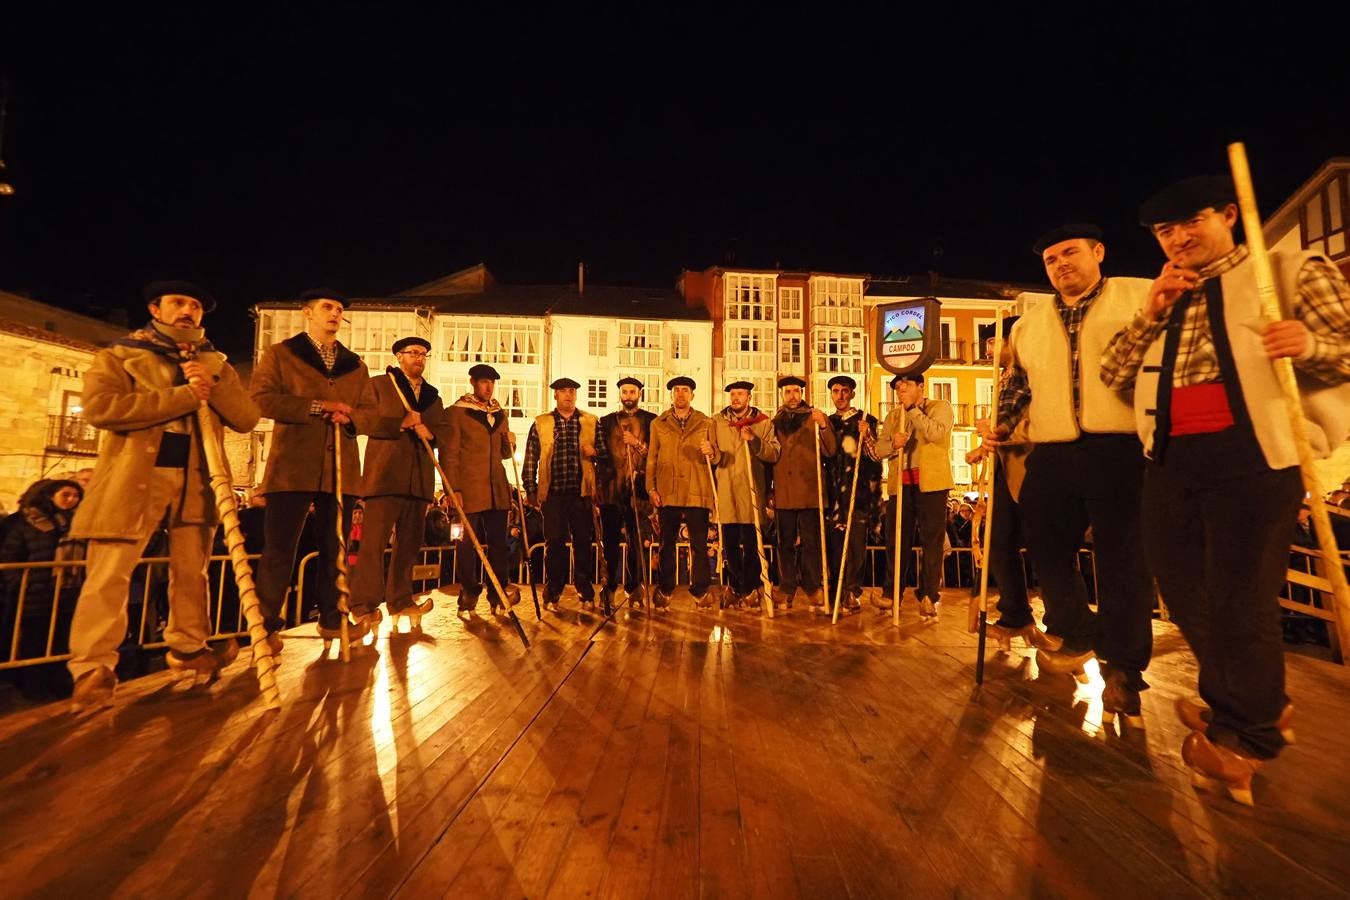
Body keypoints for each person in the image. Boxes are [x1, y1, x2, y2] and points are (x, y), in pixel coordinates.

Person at [1101, 175, 1350, 802]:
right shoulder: (1166, 296)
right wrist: (1149, 313)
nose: (1179, 238)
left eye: (1193, 222)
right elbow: (1113, 375)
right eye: (1165, 231)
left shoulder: (1289, 270)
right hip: (1171, 457)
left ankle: (1247, 735)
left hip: (1256, 454)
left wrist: (1309, 343)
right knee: (1182, 589)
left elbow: (1346, 350)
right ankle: (1253, 702)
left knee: (1241, 596)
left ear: (1230, 215)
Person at [979, 223, 1155, 723]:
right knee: (1046, 545)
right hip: (1054, 450)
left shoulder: (1136, 296)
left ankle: (1123, 668)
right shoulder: (1029, 324)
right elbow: (1018, 384)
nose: (1061, 264)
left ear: (1099, 251)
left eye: (1070, 253)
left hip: (1119, 444)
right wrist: (1003, 421)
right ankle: (1075, 629)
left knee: (1123, 560)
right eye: (1051, 259)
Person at [65, 281, 259, 711]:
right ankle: (93, 667)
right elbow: (103, 409)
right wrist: (183, 396)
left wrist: (211, 384)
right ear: (156, 307)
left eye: (194, 305)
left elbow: (246, 419)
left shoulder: (216, 363)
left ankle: (189, 647)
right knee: (110, 572)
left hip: (197, 477)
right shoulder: (119, 355)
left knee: (194, 571)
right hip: (136, 476)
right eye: (178, 303)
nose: (187, 311)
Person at [252, 288, 377, 653]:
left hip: (340, 469)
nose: (335, 313)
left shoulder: (355, 364)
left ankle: (333, 618)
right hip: (292, 466)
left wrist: (351, 415)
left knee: (335, 547)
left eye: (339, 308)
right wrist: (316, 406)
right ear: (308, 312)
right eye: (327, 307)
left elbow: (370, 412)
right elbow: (261, 399)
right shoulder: (281, 354)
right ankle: (266, 626)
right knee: (280, 549)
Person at [350, 336, 445, 628]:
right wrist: (399, 423)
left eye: (423, 354)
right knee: (374, 543)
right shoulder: (380, 385)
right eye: (413, 353)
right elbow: (361, 422)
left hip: (418, 481)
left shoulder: (432, 395)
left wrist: (430, 433)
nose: (419, 358)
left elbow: (441, 432)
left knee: (410, 544)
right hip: (385, 476)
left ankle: (401, 600)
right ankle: (363, 604)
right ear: (399, 356)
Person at [966, 316, 1040, 647]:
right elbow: (1002, 427)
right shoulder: (1004, 377)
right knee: (998, 542)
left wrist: (995, 433)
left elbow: (1027, 419)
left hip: (1028, 467)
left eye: (995, 342)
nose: (990, 349)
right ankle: (1015, 615)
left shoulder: (1027, 371)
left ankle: (1065, 627)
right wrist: (983, 447)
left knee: (1044, 546)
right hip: (1003, 466)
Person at [442, 363, 522, 614]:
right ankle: (469, 589)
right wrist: (452, 488)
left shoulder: (499, 413)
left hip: (496, 489)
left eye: (492, 383)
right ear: (473, 383)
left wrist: (511, 445)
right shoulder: (456, 413)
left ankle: (498, 590)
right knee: (466, 543)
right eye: (484, 382)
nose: (489, 388)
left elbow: (504, 454)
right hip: (467, 488)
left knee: (499, 542)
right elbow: (449, 454)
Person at [874, 373, 954, 619]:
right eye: (897, 387)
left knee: (932, 541)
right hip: (902, 484)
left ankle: (929, 595)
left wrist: (912, 409)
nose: (900, 390)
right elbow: (879, 449)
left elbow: (935, 433)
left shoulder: (940, 407)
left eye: (905, 385)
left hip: (931, 484)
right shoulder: (893, 417)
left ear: (921, 386)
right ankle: (892, 593)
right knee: (896, 541)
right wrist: (893, 445)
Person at [522, 377, 601, 612]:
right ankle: (553, 589)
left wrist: (594, 452)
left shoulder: (590, 421)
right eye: (562, 391)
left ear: (575, 395)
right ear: (555, 395)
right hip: (553, 493)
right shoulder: (542, 423)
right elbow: (531, 457)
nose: (568, 395)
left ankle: (584, 587)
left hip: (581, 492)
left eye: (571, 391)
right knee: (554, 542)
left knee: (583, 543)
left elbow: (604, 455)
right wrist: (531, 488)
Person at [1, 479, 84, 692]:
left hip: (65, 592)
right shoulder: (23, 522)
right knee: (32, 641)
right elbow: (10, 557)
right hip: (32, 594)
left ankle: (57, 683)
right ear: (50, 495)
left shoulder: (73, 522)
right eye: (66, 495)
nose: (71, 500)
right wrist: (23, 583)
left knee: (60, 640)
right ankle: (31, 685)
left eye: (76, 496)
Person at [645, 376, 717, 608]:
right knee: (666, 542)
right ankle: (665, 588)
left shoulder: (707, 423)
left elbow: (716, 456)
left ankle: (701, 590)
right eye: (676, 390)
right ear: (672, 395)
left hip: (697, 489)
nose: (680, 394)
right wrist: (651, 487)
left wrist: (712, 451)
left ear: (692, 395)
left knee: (699, 544)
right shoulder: (659, 424)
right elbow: (652, 458)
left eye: (685, 390)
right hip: (669, 490)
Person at [709, 380, 780, 608]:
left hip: (752, 492)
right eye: (733, 394)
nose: (736, 398)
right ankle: (736, 587)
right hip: (727, 490)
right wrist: (711, 453)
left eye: (740, 394)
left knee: (752, 545)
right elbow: (715, 455)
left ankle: (749, 588)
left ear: (749, 397)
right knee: (729, 545)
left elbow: (774, 453)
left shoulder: (763, 422)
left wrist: (755, 441)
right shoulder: (718, 421)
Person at [768, 375, 836, 611]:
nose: (793, 396)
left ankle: (812, 585)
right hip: (784, 493)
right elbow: (770, 457)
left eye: (796, 391)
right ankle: (786, 586)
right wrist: (769, 490)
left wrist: (824, 426)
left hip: (810, 492)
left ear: (802, 393)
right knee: (783, 542)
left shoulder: (815, 417)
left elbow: (830, 450)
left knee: (811, 543)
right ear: (782, 395)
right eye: (788, 392)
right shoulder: (774, 422)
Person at [596, 376, 657, 607]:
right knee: (610, 542)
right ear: (620, 395)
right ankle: (609, 586)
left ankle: (634, 586)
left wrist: (636, 444)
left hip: (638, 490)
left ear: (639, 394)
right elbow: (601, 457)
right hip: (612, 490)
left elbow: (655, 455)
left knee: (637, 541)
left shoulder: (651, 421)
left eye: (632, 392)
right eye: (625, 392)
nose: (628, 396)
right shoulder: (607, 421)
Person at [825, 375, 881, 612]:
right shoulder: (827, 423)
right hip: (833, 493)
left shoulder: (866, 420)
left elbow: (875, 455)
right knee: (835, 546)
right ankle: (836, 588)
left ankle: (852, 590)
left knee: (856, 545)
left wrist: (866, 434)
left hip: (857, 493)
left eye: (844, 391)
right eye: (835, 391)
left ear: (852, 394)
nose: (840, 395)